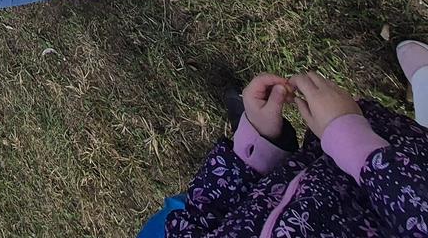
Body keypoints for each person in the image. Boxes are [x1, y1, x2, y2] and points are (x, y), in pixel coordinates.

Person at [136, 68, 428, 236]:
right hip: (393, 164)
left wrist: (255, 146)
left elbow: (199, 216)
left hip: (309, 167)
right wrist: (352, 141)